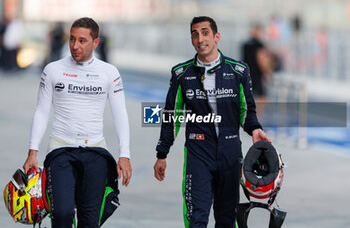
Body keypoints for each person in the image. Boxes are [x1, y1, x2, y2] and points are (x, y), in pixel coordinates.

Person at [153, 16, 270, 228]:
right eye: (195, 34)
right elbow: (172, 115)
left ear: (217, 37)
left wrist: (255, 129)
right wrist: (162, 153)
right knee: (196, 218)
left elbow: (246, 110)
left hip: (230, 153)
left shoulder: (238, 71)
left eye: (205, 33)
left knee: (227, 220)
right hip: (198, 153)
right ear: (191, 39)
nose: (200, 38)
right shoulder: (181, 73)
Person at [23, 17, 132, 228]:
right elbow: (42, 112)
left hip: (96, 151)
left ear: (96, 43)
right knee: (62, 214)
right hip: (60, 149)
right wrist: (32, 151)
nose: (75, 46)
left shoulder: (109, 73)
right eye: (72, 39)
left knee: (90, 221)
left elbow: (121, 114)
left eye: (82, 40)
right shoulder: (52, 70)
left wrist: (124, 155)